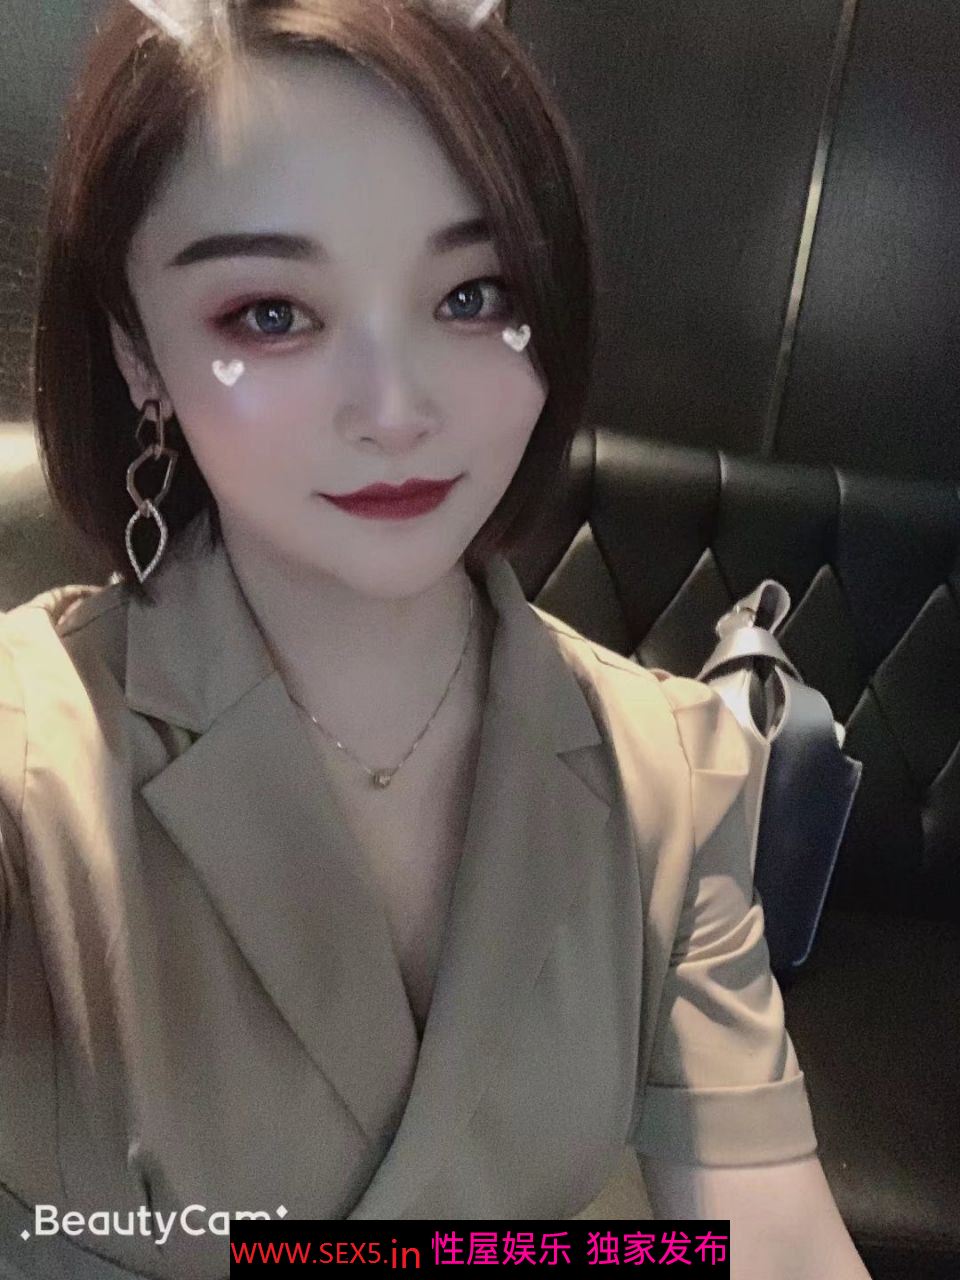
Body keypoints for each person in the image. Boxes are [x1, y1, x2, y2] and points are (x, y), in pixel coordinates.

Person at [0, 0, 871, 1276]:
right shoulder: (31, 767)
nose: (397, 408)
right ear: (139, 351)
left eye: (472, 294)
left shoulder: (674, 777)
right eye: (271, 313)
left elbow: (773, 1237)